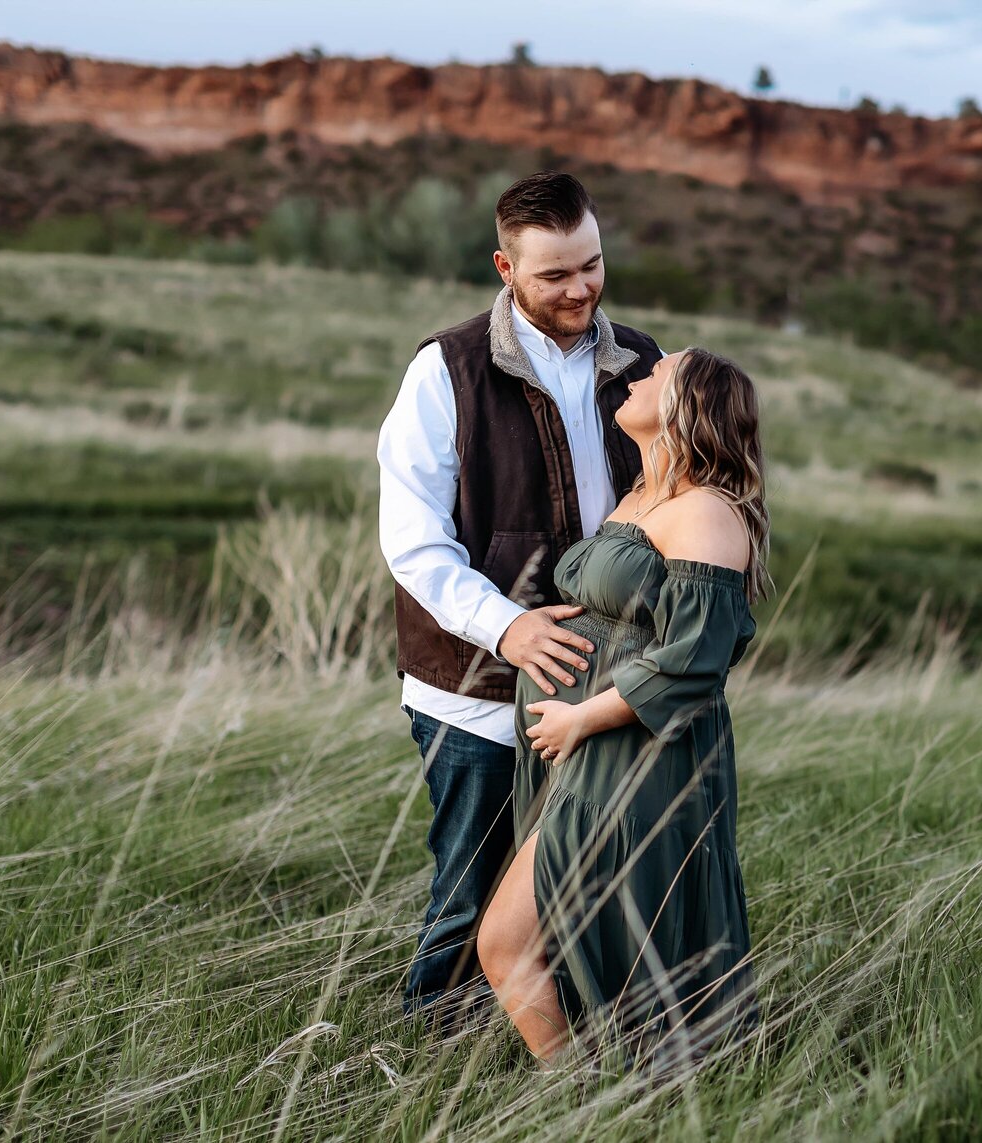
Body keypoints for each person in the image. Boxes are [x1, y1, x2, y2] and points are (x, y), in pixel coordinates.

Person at [377, 172, 663, 1026]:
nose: (580, 289)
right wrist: (510, 628)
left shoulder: (642, 362)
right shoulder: (446, 370)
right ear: (505, 266)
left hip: (600, 684)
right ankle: (430, 1065)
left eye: (592, 264)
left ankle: (569, 1059)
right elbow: (413, 543)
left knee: (589, 886)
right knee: (471, 899)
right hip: (474, 691)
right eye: (553, 275)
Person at [475, 347, 771, 1071]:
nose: (637, 376)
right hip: (590, 756)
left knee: (510, 942)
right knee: (591, 935)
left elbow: (697, 657)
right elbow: (635, 610)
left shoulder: (706, 511)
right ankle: (612, 1096)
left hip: (637, 755)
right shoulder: (646, 494)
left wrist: (582, 716)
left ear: (685, 405)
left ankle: (581, 1097)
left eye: (658, 373)